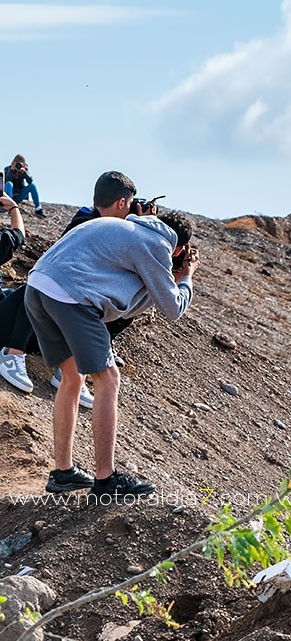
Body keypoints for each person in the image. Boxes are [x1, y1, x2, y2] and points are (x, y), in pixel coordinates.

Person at [26, 209, 198, 497]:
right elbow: (173, 308)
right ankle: (106, 480)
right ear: (179, 248)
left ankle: (63, 473)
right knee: (108, 379)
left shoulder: (122, 228)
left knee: (72, 378)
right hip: (71, 297)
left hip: (38, 288)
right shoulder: (155, 244)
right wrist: (186, 278)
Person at [0, 172, 152, 406]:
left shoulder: (114, 228)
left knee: (110, 302)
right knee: (43, 283)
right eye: (131, 204)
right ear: (122, 203)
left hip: (39, 332)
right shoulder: (85, 222)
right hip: (16, 320)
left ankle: (71, 371)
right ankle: (12, 354)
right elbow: (19, 238)